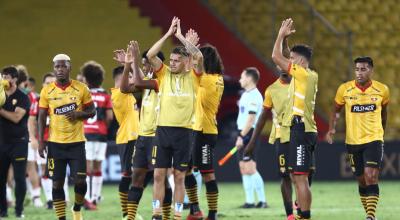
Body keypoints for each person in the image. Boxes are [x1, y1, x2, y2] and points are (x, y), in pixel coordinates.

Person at [147, 17, 202, 220]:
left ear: (186, 62)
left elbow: (199, 56)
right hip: (163, 131)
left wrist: (180, 36)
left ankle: (177, 215)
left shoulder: (194, 77)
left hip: (184, 132)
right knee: (158, 175)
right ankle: (156, 214)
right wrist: (168, 34)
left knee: (179, 176)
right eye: (170, 60)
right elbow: (151, 54)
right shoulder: (164, 74)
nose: (172, 63)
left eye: (176, 61)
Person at [113, 42, 173, 220]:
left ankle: (164, 215)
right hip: (143, 137)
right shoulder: (147, 81)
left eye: (148, 63)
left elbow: (138, 81)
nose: (146, 66)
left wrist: (134, 61)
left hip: (159, 137)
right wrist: (127, 66)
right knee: (137, 177)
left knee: (159, 179)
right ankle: (131, 217)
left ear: (157, 64)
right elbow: (124, 88)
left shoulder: (164, 80)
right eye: (145, 63)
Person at [326, 56, 389, 220]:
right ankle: (368, 212)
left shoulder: (382, 90)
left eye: (363, 69)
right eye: (357, 69)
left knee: (371, 176)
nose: (359, 73)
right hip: (352, 142)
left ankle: (370, 216)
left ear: (371, 70)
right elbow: (336, 110)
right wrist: (331, 128)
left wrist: (381, 130)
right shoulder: (344, 89)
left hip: (374, 139)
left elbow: (384, 112)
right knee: (362, 180)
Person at [38, 54, 96, 220]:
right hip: (55, 145)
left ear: (69, 68)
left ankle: (77, 207)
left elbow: (93, 111)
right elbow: (41, 117)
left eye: (63, 66)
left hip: (76, 143)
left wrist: (79, 114)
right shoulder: (47, 90)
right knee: (56, 183)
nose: (60, 70)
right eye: (57, 67)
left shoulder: (81, 88)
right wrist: (41, 141)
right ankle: (61, 218)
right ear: (54, 68)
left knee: (80, 181)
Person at [271, 18, 318, 220]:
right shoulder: (309, 74)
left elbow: (275, 56)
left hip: (301, 128)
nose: (288, 60)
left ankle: (304, 215)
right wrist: (286, 42)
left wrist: (280, 35)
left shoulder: (302, 75)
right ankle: (301, 214)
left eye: (291, 58)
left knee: (300, 177)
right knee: (298, 176)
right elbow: (284, 55)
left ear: (298, 62)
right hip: (303, 129)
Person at [244, 66, 293, 218]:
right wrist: (251, 141)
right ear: (277, 66)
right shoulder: (271, 90)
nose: (284, 68)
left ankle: (299, 204)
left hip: (301, 136)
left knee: (305, 174)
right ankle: (290, 214)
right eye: (281, 65)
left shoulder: (302, 84)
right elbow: (262, 118)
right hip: (281, 137)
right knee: (285, 176)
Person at [184, 43, 224, 220]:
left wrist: (185, 42)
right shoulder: (215, 78)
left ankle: (212, 214)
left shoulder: (206, 79)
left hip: (204, 131)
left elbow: (188, 73)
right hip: (197, 130)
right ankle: (195, 209)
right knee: (186, 169)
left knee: (207, 173)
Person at [80, 61, 113, 209]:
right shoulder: (105, 95)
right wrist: (104, 127)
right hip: (100, 134)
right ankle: (95, 197)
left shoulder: (82, 94)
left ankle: (85, 198)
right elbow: (110, 116)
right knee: (98, 166)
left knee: (86, 167)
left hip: (85, 133)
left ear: (86, 79)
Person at [110, 65, 140, 220]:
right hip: (128, 138)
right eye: (129, 77)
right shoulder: (119, 93)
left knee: (132, 175)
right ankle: (126, 213)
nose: (132, 80)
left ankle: (128, 212)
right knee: (129, 176)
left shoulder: (127, 94)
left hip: (132, 137)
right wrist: (129, 64)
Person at [0, 66, 30, 218]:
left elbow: (16, 118)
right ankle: (2, 211)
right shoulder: (0, 96)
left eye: (7, 77)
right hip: (2, 143)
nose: (4, 80)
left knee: (19, 178)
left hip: (19, 143)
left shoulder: (23, 97)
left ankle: (19, 210)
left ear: (15, 79)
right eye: (2, 76)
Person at [235, 67, 267, 209]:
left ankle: (262, 201)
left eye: (242, 77)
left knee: (250, 167)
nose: (240, 80)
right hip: (242, 132)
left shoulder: (255, 96)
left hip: (249, 133)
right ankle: (249, 201)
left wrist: (242, 136)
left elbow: (251, 118)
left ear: (249, 78)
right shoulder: (245, 94)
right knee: (243, 167)